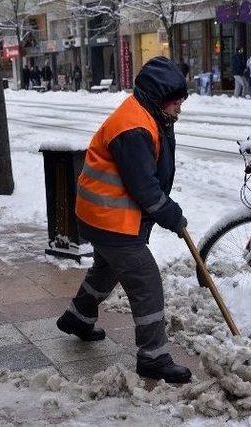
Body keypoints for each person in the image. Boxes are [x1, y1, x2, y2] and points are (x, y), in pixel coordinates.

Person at [55, 56, 192, 384]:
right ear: (159, 98)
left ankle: (78, 316)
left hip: (105, 215)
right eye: (176, 103)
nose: (179, 109)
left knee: (107, 268)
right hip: (109, 217)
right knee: (146, 282)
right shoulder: (133, 126)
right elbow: (143, 186)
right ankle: (153, 357)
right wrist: (169, 213)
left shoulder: (147, 115)